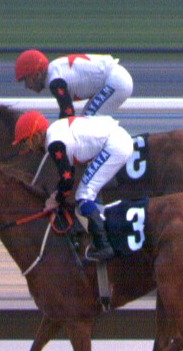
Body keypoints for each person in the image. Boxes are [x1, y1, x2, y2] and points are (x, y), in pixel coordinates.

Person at [12, 109, 133, 261]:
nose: (27, 149)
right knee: (84, 191)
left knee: (83, 195)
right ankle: (102, 225)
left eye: (25, 142)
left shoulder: (54, 144)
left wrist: (56, 199)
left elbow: (67, 180)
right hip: (116, 139)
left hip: (115, 146)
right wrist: (58, 193)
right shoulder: (55, 130)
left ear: (36, 137)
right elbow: (68, 174)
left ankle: (104, 246)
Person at [13, 50, 134, 120]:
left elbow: (68, 112)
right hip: (117, 78)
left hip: (117, 81)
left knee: (86, 124)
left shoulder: (54, 81)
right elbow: (68, 114)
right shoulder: (55, 70)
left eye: (25, 80)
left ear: (37, 75)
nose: (26, 86)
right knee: (85, 122)